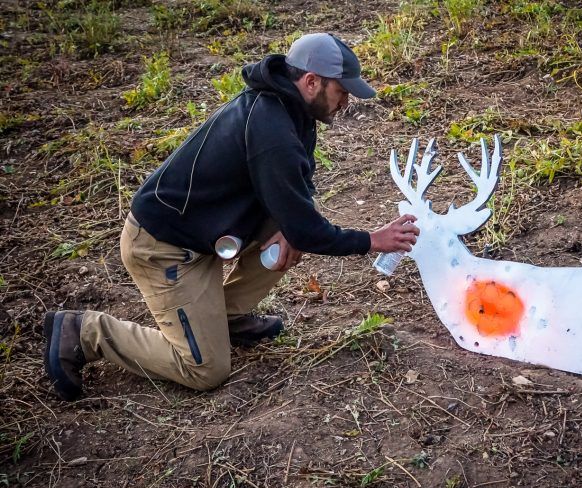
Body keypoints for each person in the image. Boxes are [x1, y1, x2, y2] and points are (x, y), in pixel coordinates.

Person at [43, 33, 419, 401]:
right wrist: (371, 241)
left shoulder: (289, 108)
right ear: (311, 81)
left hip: (204, 233)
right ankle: (85, 331)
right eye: (342, 91)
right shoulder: (273, 130)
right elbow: (308, 228)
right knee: (205, 369)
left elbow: (298, 190)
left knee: (292, 233)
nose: (346, 102)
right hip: (163, 247)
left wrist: (293, 228)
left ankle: (224, 319)